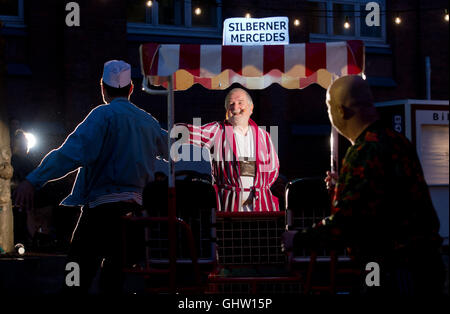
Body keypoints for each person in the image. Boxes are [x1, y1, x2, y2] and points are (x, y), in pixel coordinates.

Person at [14, 60, 168, 294]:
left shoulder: (101, 116)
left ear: (102, 88)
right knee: (114, 281)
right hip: (135, 216)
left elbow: (68, 155)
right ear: (131, 88)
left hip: (100, 213)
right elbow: (175, 150)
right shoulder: (148, 122)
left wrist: (33, 180)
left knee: (75, 278)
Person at [282, 75, 444, 295]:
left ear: (340, 111)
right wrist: (345, 185)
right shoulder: (396, 140)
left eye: (329, 107)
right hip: (423, 262)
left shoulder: (364, 151)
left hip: (387, 265)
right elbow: (385, 195)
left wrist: (298, 238)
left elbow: (347, 222)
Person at [173, 88, 279, 212]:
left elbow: (273, 169)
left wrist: (259, 187)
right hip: (228, 206)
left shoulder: (264, 135)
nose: (235, 107)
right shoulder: (217, 130)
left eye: (240, 102)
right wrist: (177, 130)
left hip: (261, 206)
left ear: (251, 108)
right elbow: (195, 132)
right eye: (231, 103)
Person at [10, 129, 35, 246]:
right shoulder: (12, 160)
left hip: (25, 202)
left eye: (25, 144)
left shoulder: (28, 162)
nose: (24, 147)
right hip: (15, 200)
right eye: (21, 144)